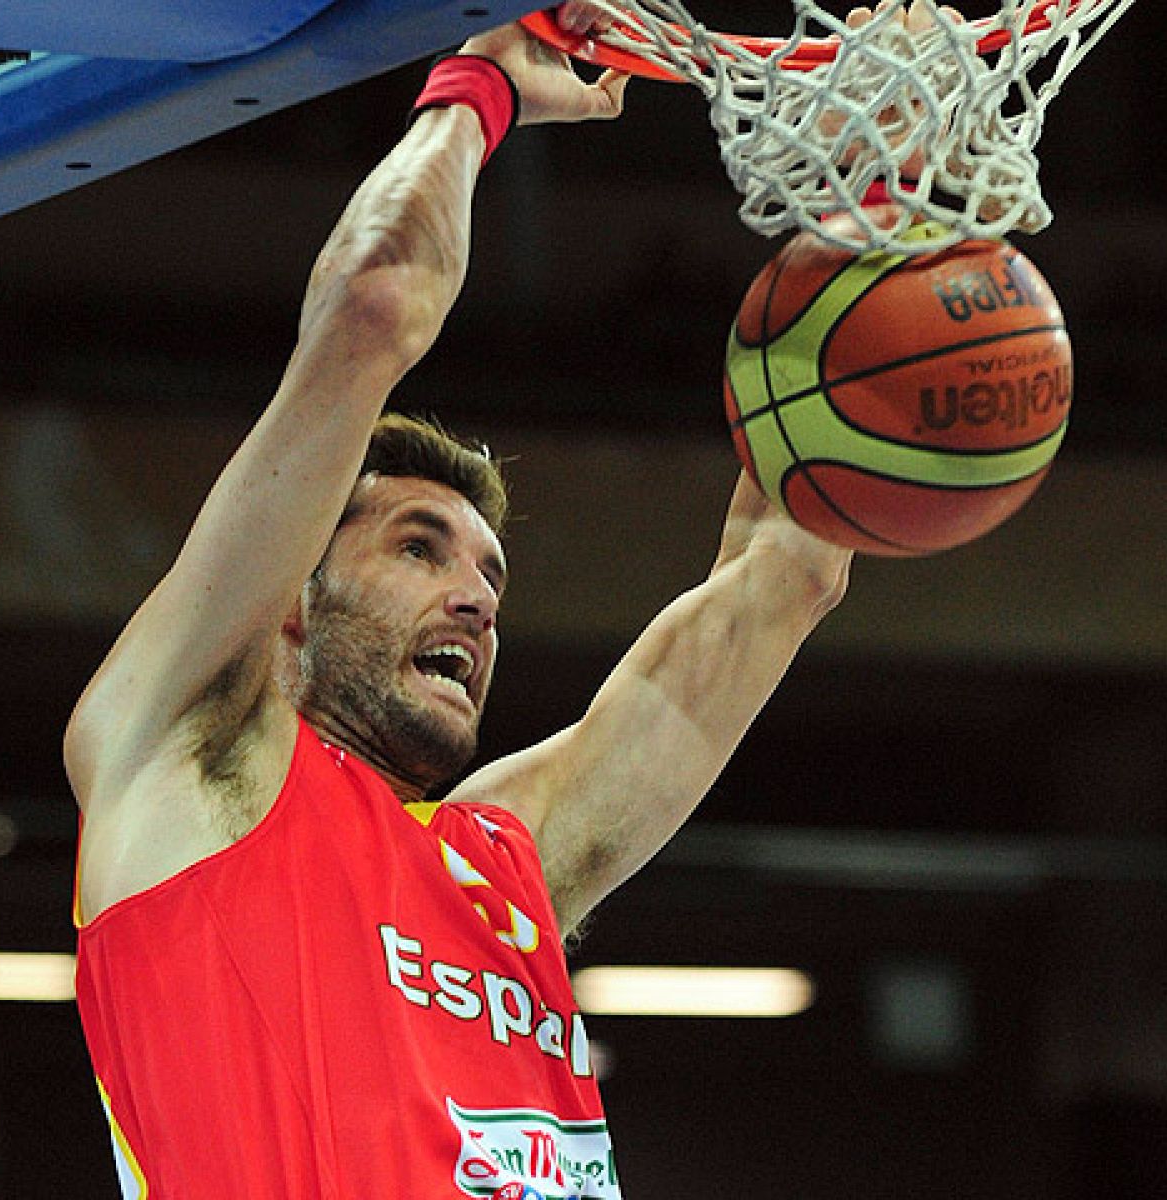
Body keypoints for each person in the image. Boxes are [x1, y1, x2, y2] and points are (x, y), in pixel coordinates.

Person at [63, 9, 852, 1199]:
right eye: (419, 547)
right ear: (290, 598)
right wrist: (477, 81)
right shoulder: (178, 752)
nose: (475, 602)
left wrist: (876, 210)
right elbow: (373, 306)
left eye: (490, 577)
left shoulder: (505, 860)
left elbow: (791, 570)